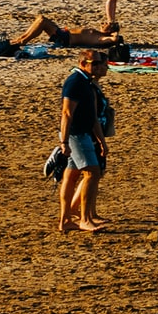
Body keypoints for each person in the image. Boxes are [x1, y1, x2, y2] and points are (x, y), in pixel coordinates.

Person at [56, 52, 111, 234]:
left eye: (98, 63)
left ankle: (66, 220)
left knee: (71, 177)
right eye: (93, 63)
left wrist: (101, 141)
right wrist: (64, 141)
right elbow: (66, 114)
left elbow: (93, 117)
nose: (97, 67)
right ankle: (85, 219)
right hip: (76, 135)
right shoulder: (74, 82)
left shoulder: (87, 83)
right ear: (82, 63)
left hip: (85, 134)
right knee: (92, 173)